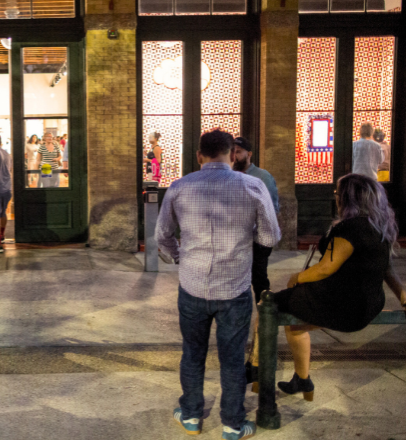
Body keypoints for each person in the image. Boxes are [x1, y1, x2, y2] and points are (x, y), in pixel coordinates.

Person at [156, 130, 281, 440]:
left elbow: (162, 235)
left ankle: (191, 416)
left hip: (192, 286)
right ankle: (233, 424)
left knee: (193, 352)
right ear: (232, 153)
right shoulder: (252, 186)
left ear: (200, 155)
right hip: (234, 288)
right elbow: (270, 237)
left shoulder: (179, 187)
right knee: (232, 357)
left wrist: (179, 258)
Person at [275, 174, 406, 401]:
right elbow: (388, 270)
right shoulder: (379, 227)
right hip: (369, 304)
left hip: (343, 303)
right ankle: (302, 379)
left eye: (337, 193)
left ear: (348, 198)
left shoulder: (350, 228)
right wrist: (403, 296)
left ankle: (256, 368)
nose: (335, 197)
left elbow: (326, 268)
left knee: (274, 304)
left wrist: (298, 277)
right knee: (295, 326)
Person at [232, 136, 280, 386]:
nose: (234, 156)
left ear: (249, 154)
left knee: (259, 286)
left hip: (257, 243)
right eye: (232, 151)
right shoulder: (230, 176)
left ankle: (261, 348)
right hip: (238, 245)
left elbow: (272, 210)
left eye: (238, 152)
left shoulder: (262, 177)